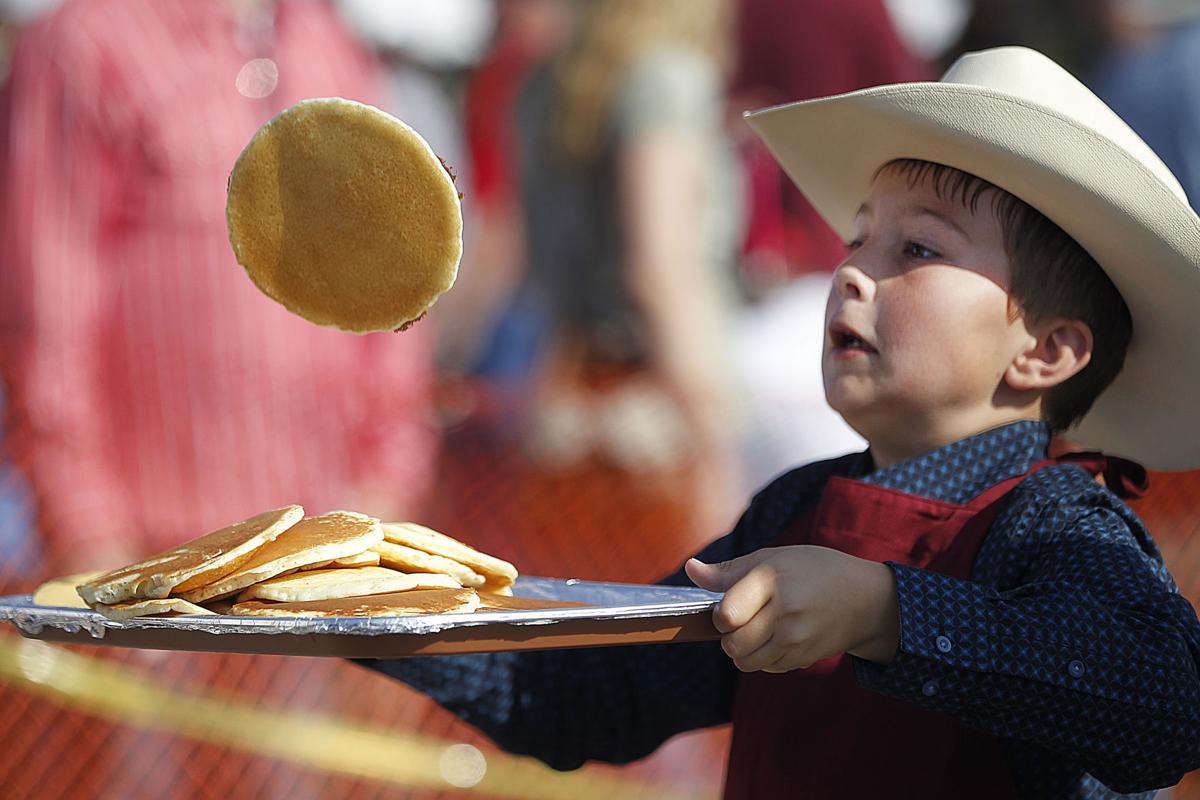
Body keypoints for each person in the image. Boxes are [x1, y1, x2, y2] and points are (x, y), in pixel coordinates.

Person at [354, 45, 1200, 798]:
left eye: (920, 251)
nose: (854, 274)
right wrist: (380, 615)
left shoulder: (1055, 526)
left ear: (1047, 352)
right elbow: (590, 696)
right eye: (859, 241)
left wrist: (885, 612)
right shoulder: (795, 509)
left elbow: (1166, 705)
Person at [0, 0, 438, 576]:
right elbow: (46, 323)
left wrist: (380, 506)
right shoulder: (83, 44)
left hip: (327, 569)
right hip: (155, 572)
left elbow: (392, 307)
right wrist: (97, 554)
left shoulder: (329, 44)